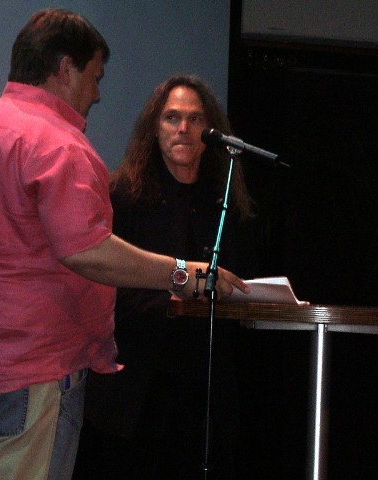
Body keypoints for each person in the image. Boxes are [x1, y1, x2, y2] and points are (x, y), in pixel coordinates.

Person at [0, 11, 247, 480]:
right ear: (66, 69)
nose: (98, 93)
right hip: (32, 373)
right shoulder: (61, 145)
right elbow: (87, 250)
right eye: (95, 77)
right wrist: (183, 273)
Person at [79, 74, 262, 480]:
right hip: (136, 389)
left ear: (211, 132)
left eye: (195, 120)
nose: (183, 129)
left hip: (206, 391)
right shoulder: (123, 194)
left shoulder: (225, 202)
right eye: (172, 118)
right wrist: (173, 299)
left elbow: (240, 282)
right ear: (154, 128)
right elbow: (102, 283)